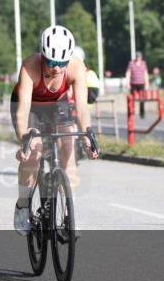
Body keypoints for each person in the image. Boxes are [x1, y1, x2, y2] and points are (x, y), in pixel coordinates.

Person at [10, 25, 98, 235]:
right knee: (34, 152)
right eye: (51, 62)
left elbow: (82, 108)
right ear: (42, 55)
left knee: (68, 144)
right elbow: (22, 112)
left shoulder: (77, 67)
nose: (56, 68)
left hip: (57, 105)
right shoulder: (30, 67)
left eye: (61, 62)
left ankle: (69, 214)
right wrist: (25, 141)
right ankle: (23, 205)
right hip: (29, 106)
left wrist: (87, 135)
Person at [125, 51, 149, 117]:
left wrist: (147, 83)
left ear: (141, 57)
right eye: (137, 56)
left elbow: (145, 74)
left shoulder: (143, 63)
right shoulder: (131, 63)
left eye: (139, 57)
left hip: (141, 84)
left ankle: (142, 113)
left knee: (142, 99)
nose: (138, 58)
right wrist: (127, 83)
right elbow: (128, 73)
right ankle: (132, 111)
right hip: (133, 84)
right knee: (132, 99)